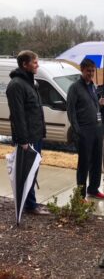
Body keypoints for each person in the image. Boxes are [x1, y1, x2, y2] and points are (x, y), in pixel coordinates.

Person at [6, 50, 49, 215]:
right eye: (35, 62)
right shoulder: (16, 85)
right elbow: (18, 116)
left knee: (34, 170)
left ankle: (31, 203)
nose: (38, 65)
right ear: (25, 64)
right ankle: (30, 205)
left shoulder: (32, 83)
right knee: (27, 172)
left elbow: (35, 111)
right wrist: (23, 141)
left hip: (36, 135)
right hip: (27, 139)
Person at [67, 58, 104, 200]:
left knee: (96, 161)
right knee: (83, 164)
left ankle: (93, 189)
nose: (91, 73)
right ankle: (80, 196)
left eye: (93, 71)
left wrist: (100, 104)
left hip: (97, 129)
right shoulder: (74, 88)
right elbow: (70, 111)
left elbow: (93, 107)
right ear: (82, 69)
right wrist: (78, 131)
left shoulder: (93, 86)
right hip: (84, 131)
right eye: (88, 71)